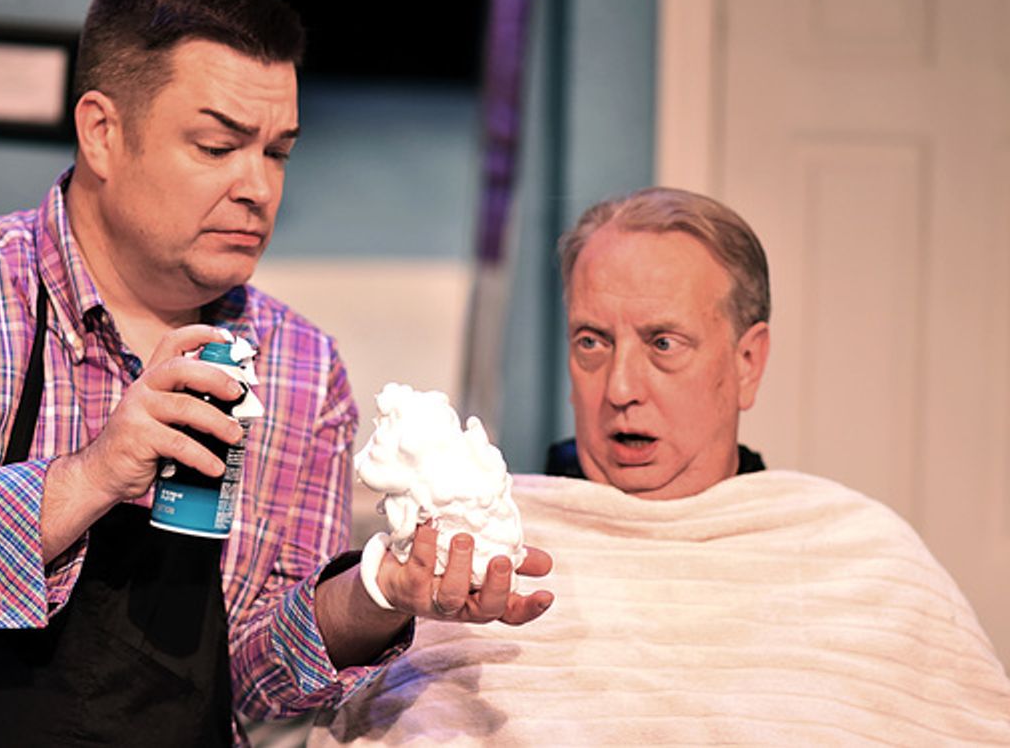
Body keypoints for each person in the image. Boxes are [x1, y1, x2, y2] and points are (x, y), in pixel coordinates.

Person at [0, 0, 551, 746]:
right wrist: (90, 476)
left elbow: (255, 671)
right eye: (215, 145)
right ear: (103, 132)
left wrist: (380, 589)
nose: (257, 187)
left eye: (277, 153)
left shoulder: (299, 366)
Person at [309, 187, 1010, 745]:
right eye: (592, 342)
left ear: (747, 361)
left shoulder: (865, 554)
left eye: (663, 343)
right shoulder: (471, 555)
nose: (619, 388)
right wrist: (377, 589)